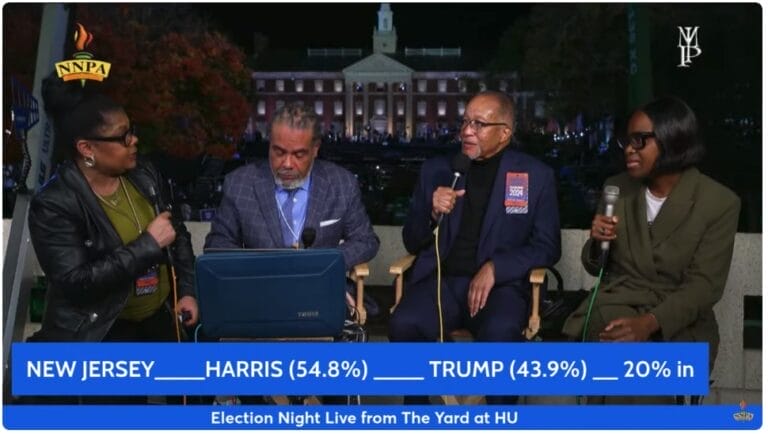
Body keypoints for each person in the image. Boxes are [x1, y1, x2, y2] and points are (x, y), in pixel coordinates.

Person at [26, 73, 199, 403]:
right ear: (87, 148)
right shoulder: (54, 204)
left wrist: (187, 292)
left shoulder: (144, 174)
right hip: (105, 330)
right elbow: (76, 282)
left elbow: (178, 237)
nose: (133, 141)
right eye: (122, 137)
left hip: (159, 316)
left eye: (131, 131)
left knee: (189, 406)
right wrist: (147, 245)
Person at [562, 96, 740, 403]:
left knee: (633, 366)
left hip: (679, 324)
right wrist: (597, 242)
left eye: (639, 140)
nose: (629, 149)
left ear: (673, 139)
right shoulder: (616, 188)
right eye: (626, 141)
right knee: (617, 344)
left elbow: (704, 287)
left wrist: (647, 324)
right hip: (616, 306)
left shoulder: (719, 202)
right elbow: (598, 267)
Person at [388, 91, 561, 404]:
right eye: (465, 121)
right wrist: (431, 213)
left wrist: (498, 267)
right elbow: (412, 240)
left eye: (479, 124)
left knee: (502, 335)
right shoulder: (437, 170)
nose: (466, 131)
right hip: (441, 283)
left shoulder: (536, 176)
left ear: (504, 132)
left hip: (502, 289)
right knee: (404, 323)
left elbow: (548, 247)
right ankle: (416, 414)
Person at [204, 102, 379, 405]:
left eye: (297, 154)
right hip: (258, 296)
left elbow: (366, 240)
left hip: (320, 298)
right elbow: (217, 245)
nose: (286, 163)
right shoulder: (240, 184)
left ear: (315, 149)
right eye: (277, 151)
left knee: (340, 346)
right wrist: (263, 272)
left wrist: (327, 270)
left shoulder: (341, 183)